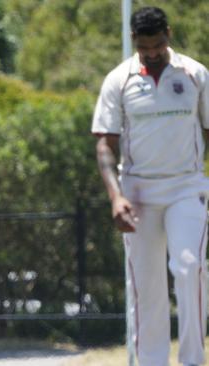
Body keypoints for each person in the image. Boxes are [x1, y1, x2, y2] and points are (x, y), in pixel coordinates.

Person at [92, 6, 209, 366]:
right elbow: (104, 145)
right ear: (134, 42)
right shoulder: (119, 79)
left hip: (187, 187)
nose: (153, 53)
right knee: (147, 288)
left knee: (189, 269)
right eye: (146, 48)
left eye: (158, 45)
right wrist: (116, 197)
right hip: (138, 192)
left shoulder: (194, 74)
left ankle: (192, 360)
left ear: (168, 35)